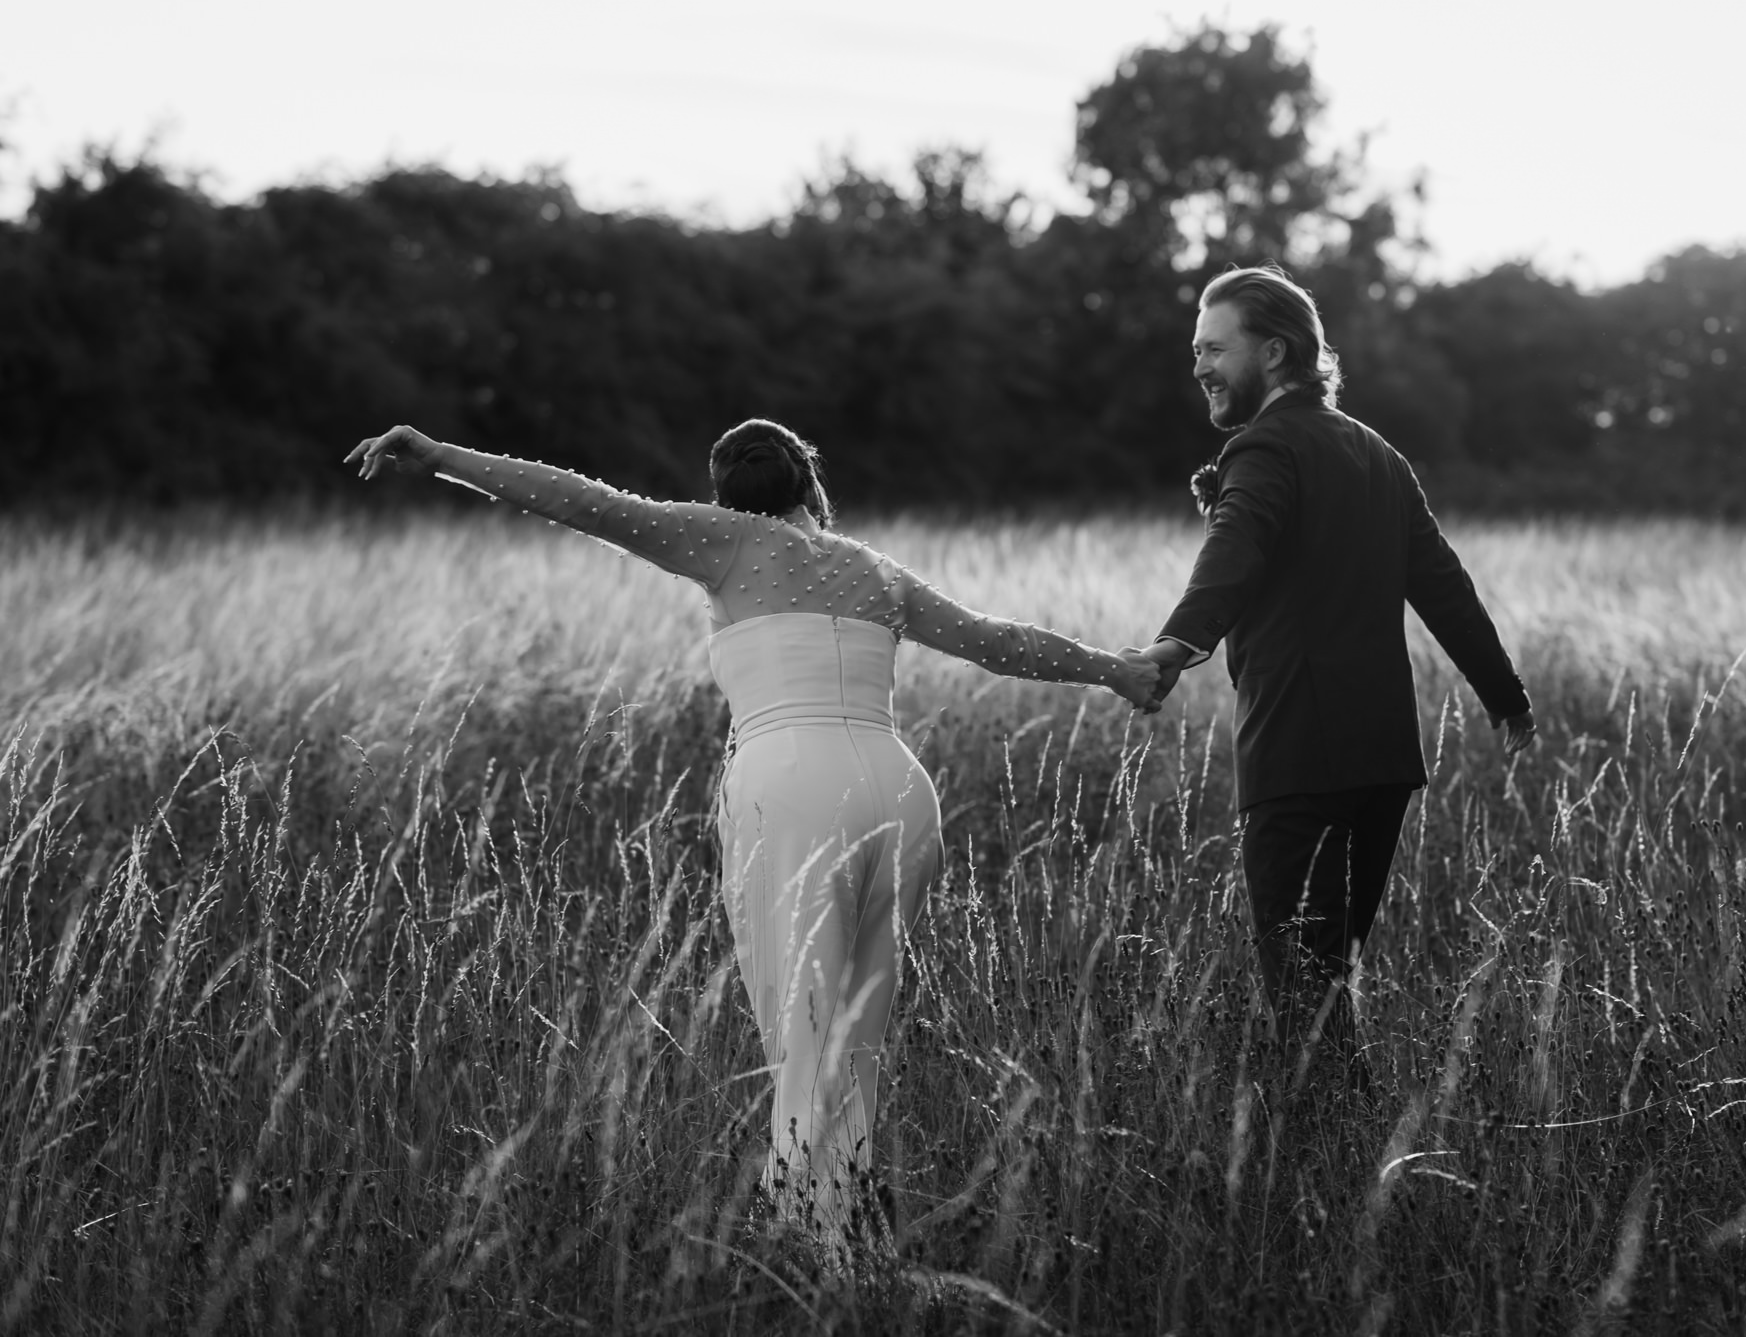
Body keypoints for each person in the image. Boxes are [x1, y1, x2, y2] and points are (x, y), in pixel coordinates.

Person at [347, 420, 1159, 1231]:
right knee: (855, 1038)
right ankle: (842, 1231)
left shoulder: (723, 540)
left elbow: (580, 500)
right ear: (811, 484)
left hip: (791, 788)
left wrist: (443, 457)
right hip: (899, 791)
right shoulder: (875, 571)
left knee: (803, 1030)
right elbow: (1000, 643)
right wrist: (1118, 670)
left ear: (723, 489)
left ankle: (809, 1243)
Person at [1139, 264, 1536, 1056]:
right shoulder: (1378, 454)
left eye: (1215, 348)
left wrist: (1174, 646)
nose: (1199, 366)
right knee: (1329, 981)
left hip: (1298, 752)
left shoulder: (1265, 448)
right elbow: (1446, 590)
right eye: (1195, 350)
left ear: (1277, 353)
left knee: (1302, 995)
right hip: (1382, 760)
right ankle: (1352, 1150)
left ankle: (1326, 1164)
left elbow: (1234, 551)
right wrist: (1506, 699)